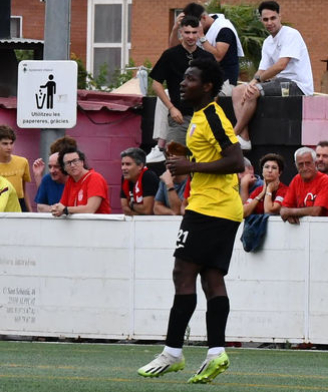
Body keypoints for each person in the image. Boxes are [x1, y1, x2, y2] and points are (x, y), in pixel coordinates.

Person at [137, 57, 244, 383]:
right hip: (218, 207)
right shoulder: (200, 117)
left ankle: (172, 352)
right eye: (182, 78)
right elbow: (214, 156)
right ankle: (215, 352)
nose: (182, 83)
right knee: (211, 277)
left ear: (208, 86)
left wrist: (190, 168)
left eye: (190, 79)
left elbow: (236, 160)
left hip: (211, 208)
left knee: (183, 270)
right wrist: (186, 157)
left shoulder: (212, 115)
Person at [231, 0, 314, 148]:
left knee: (253, 92)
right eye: (265, 19)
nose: (269, 22)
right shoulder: (268, 42)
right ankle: (244, 138)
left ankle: (233, 134)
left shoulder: (291, 34)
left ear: (280, 16)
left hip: (297, 85)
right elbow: (262, 69)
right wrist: (251, 83)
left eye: (272, 18)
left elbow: (281, 65)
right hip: (278, 82)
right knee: (238, 91)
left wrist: (256, 82)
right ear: (261, 20)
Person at [150, 16, 217, 146]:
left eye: (194, 32)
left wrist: (209, 112)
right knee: (173, 157)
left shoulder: (207, 57)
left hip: (203, 118)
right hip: (180, 117)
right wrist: (171, 108)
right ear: (181, 32)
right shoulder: (170, 55)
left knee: (204, 159)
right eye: (187, 32)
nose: (191, 36)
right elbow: (156, 83)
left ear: (199, 33)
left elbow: (215, 87)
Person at [177, 2, 244, 89]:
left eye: (195, 26)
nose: (193, 31)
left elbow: (217, 57)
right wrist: (176, 27)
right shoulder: (198, 27)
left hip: (224, 83)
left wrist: (202, 36)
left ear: (204, 18)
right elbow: (175, 48)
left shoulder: (224, 29)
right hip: (200, 81)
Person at [280, 147, 328, 222]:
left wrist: (291, 213)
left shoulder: (325, 181)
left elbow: (316, 211)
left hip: (325, 228)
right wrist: (289, 214)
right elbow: (284, 209)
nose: (305, 168)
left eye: (308, 163)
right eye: (300, 164)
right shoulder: (296, 179)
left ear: (315, 163)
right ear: (296, 166)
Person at [50, 149, 111, 216]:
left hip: (98, 225)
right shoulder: (70, 181)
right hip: (79, 225)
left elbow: (90, 209)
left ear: (82, 162)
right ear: (64, 168)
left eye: (75, 161)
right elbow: (62, 205)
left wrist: (66, 210)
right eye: (68, 163)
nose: (72, 165)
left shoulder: (95, 178)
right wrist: (56, 209)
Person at [120, 147, 160, 216]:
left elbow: (147, 210)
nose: (123, 168)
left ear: (140, 166)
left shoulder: (148, 176)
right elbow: (125, 209)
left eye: (128, 164)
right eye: (122, 164)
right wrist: (138, 211)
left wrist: (131, 204)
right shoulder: (125, 178)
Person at [0, 125, 30, 211]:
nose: (9, 147)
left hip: (20, 204)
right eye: (5, 144)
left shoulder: (23, 162)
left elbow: (24, 191)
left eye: (11, 143)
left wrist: (30, 212)